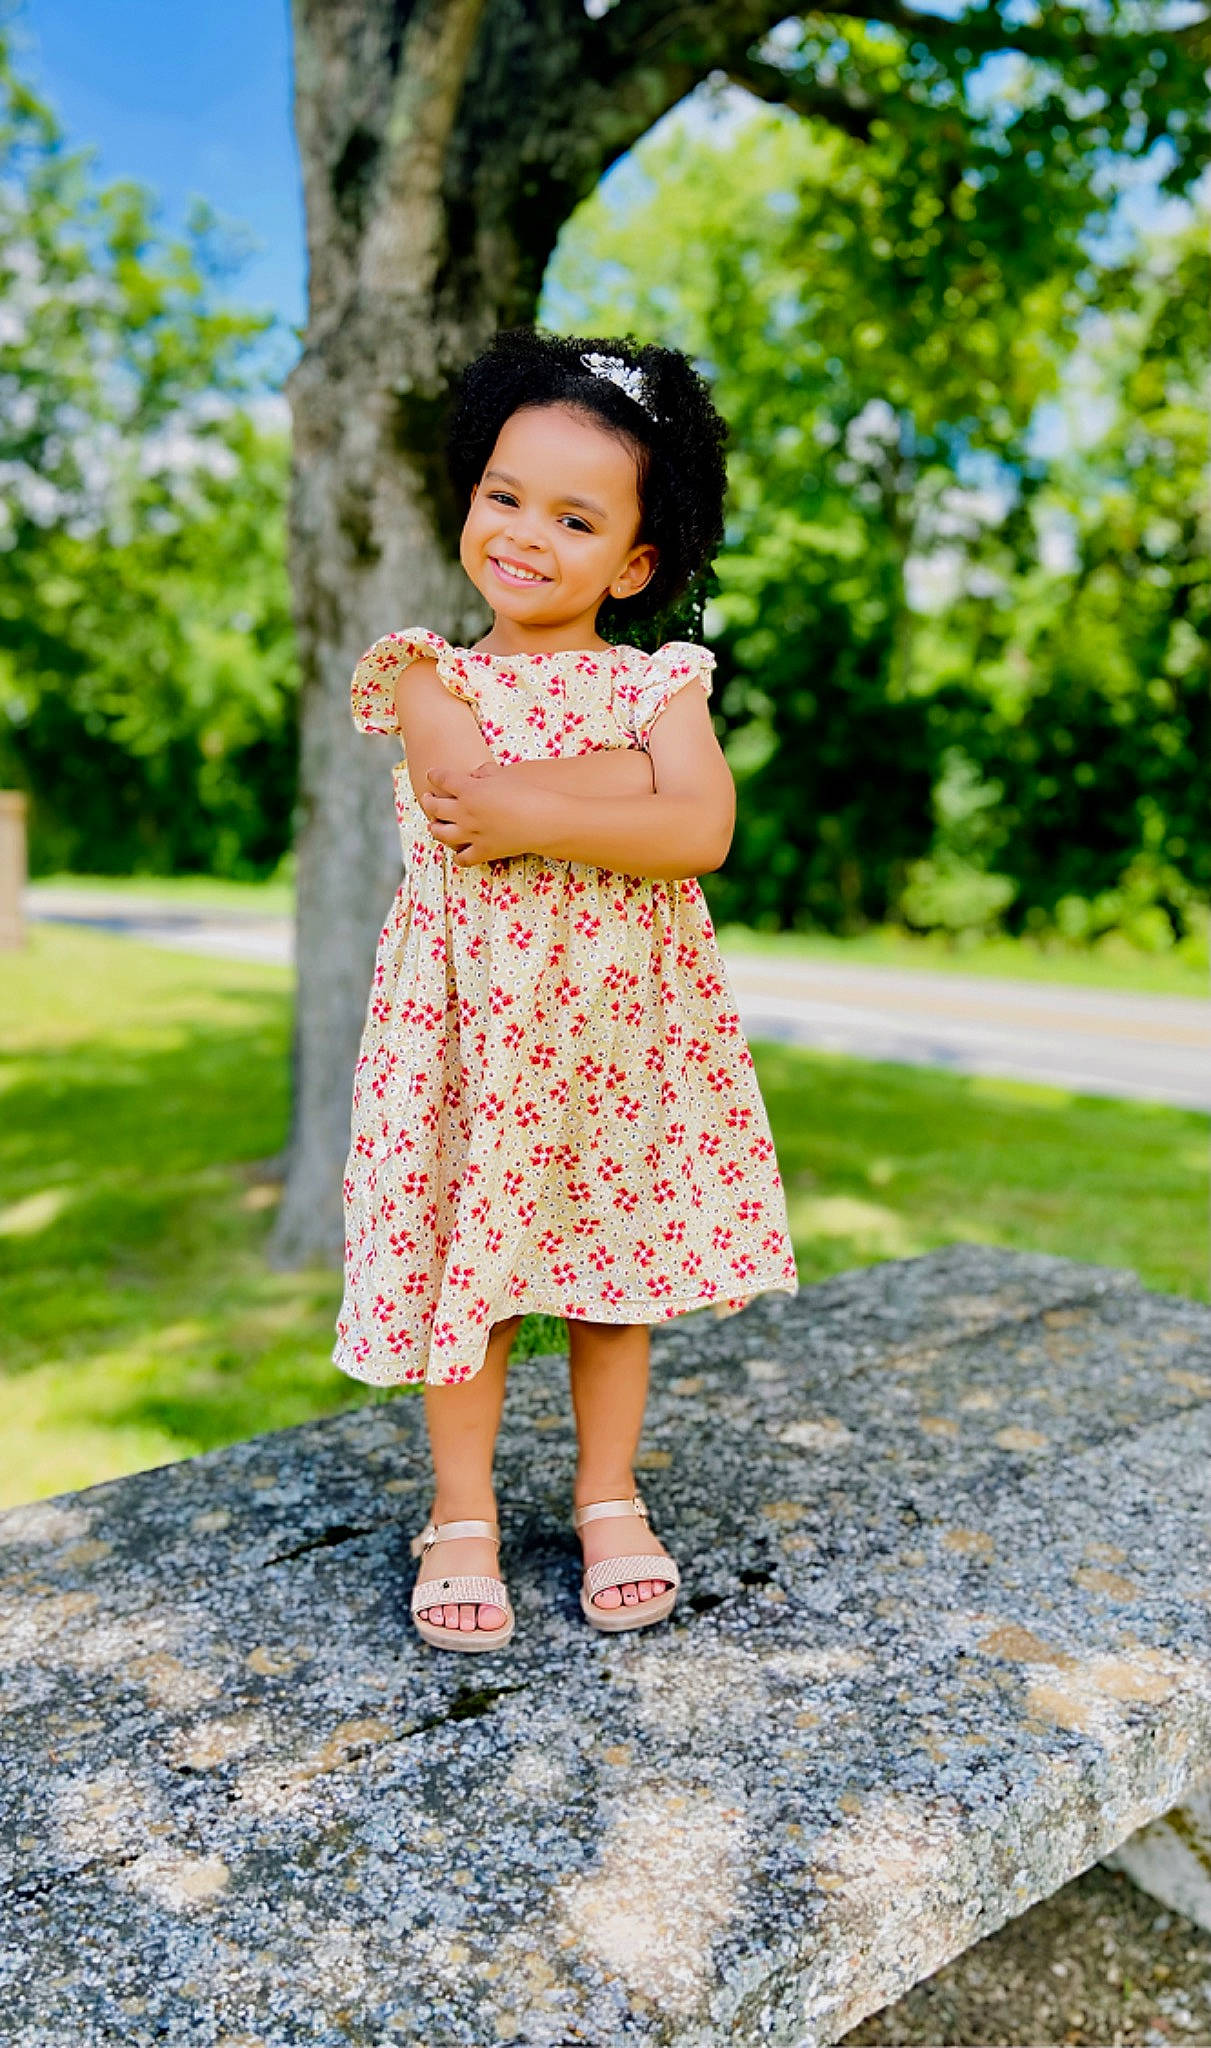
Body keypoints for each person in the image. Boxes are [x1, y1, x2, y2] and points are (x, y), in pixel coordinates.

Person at [335, 326, 799, 1652]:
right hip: (470, 1034)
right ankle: (462, 1510)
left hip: (619, 1035)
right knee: (464, 1285)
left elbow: (700, 828)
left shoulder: (663, 679)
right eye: (504, 495)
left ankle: (607, 1494)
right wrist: (617, 786)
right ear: (470, 494)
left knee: (616, 1278)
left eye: (576, 515)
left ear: (636, 561)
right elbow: (467, 803)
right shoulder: (428, 672)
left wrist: (563, 796)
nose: (527, 532)